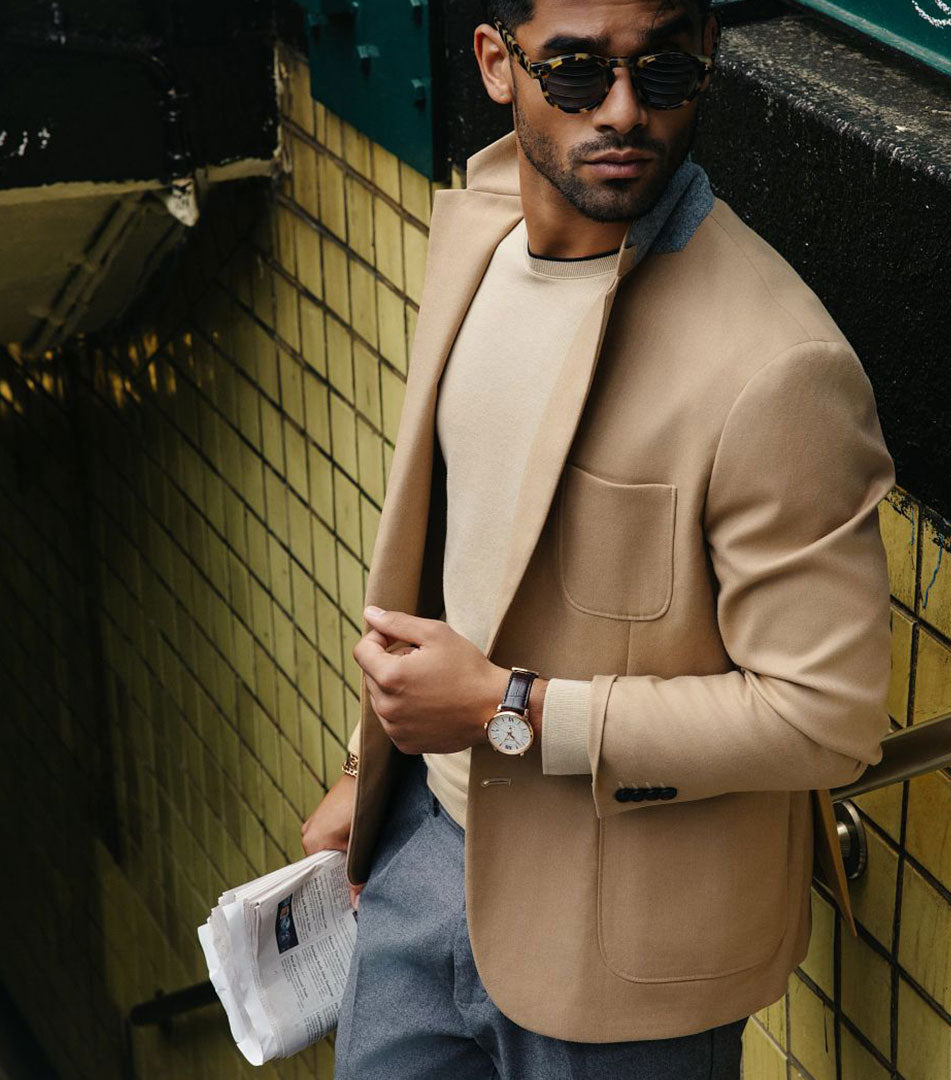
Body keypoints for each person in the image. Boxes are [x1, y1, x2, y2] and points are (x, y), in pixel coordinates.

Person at [301, 0, 896, 1076]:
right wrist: (370, 771)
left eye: (664, 73)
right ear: (496, 62)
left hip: (620, 960)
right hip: (420, 861)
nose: (624, 112)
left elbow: (826, 716)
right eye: (576, 72)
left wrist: (509, 710)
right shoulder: (475, 230)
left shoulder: (779, 364)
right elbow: (458, 551)